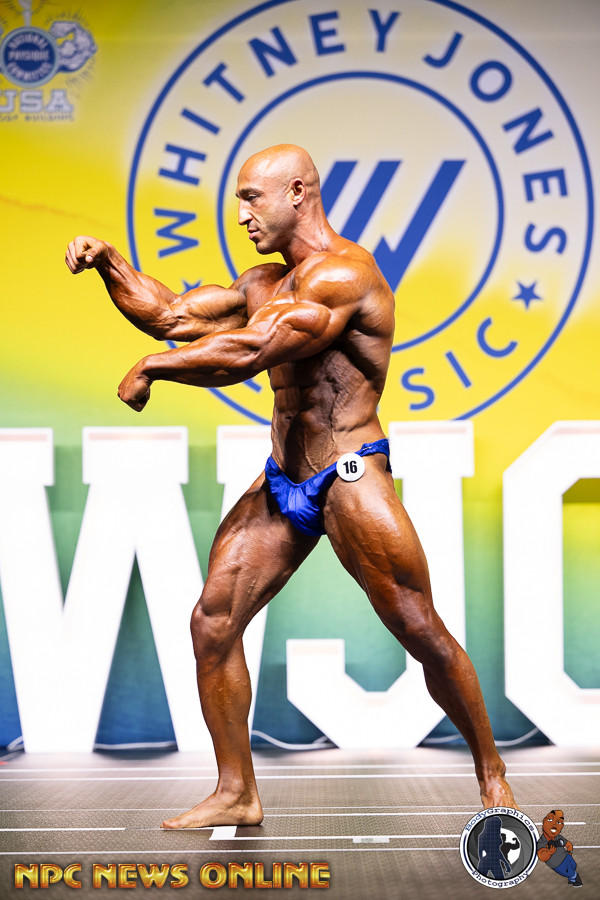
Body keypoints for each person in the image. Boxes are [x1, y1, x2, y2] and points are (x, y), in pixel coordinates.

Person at [66, 143, 517, 828]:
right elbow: (172, 315)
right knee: (212, 621)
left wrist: (155, 367)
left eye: (252, 197)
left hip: (348, 472)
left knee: (417, 625)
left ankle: (491, 772)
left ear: (298, 192)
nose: (241, 214)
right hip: (283, 477)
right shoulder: (261, 283)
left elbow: (251, 351)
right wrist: (110, 263)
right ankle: (237, 791)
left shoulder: (344, 275)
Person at [537, 810, 583, 887]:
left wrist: (570, 852)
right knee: (569, 873)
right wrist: (549, 853)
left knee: (573, 865)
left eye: (559, 822)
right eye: (550, 819)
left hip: (566, 856)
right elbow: (541, 856)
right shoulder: (542, 842)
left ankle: (572, 879)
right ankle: (575, 878)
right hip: (557, 863)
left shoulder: (558, 837)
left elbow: (568, 844)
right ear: (544, 821)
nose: (554, 824)